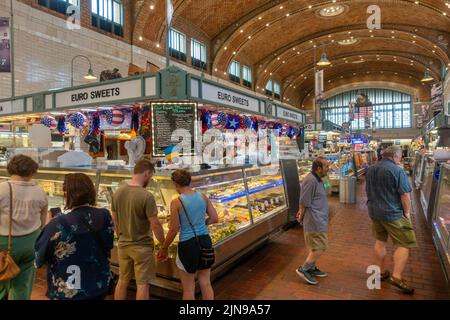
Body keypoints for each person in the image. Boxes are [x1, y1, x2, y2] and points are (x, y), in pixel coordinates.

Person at [35, 173, 114, 300]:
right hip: (98, 283)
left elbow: (39, 257)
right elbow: (109, 244)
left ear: (67, 194)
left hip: (67, 289)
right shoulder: (105, 215)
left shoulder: (57, 223)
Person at [157, 170, 218, 300]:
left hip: (188, 245)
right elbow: (214, 218)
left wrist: (164, 247)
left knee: (189, 289)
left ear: (175, 184)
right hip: (205, 241)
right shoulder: (202, 196)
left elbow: (174, 229)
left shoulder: (177, 202)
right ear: (189, 181)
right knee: (206, 283)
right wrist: (202, 224)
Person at [112, 159, 165, 300]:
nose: (150, 179)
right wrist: (164, 244)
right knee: (143, 285)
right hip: (142, 247)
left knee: (122, 281)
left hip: (123, 245)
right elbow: (155, 224)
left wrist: (120, 235)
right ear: (147, 173)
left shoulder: (117, 192)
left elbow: (114, 219)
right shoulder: (146, 196)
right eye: (151, 176)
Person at [365, 146, 416, 294]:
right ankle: (396, 276)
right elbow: (405, 195)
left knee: (380, 241)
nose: (400, 159)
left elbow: (368, 190)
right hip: (393, 213)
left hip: (374, 211)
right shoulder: (397, 170)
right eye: (400, 156)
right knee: (405, 243)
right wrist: (406, 213)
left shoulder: (371, 169)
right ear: (395, 156)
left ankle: (380, 272)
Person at [0, 155, 48, 300]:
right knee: (23, 284)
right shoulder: (40, 191)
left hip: (5, 244)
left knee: (2, 280)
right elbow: (42, 220)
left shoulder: (2, 188)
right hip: (31, 243)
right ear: (32, 172)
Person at [295, 157, 330, 285]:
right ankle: (304, 269)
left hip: (320, 218)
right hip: (314, 220)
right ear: (318, 168)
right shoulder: (310, 180)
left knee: (315, 246)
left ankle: (311, 268)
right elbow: (304, 201)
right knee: (320, 247)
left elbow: (326, 191)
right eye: (326, 166)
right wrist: (301, 215)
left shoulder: (318, 178)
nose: (328, 168)